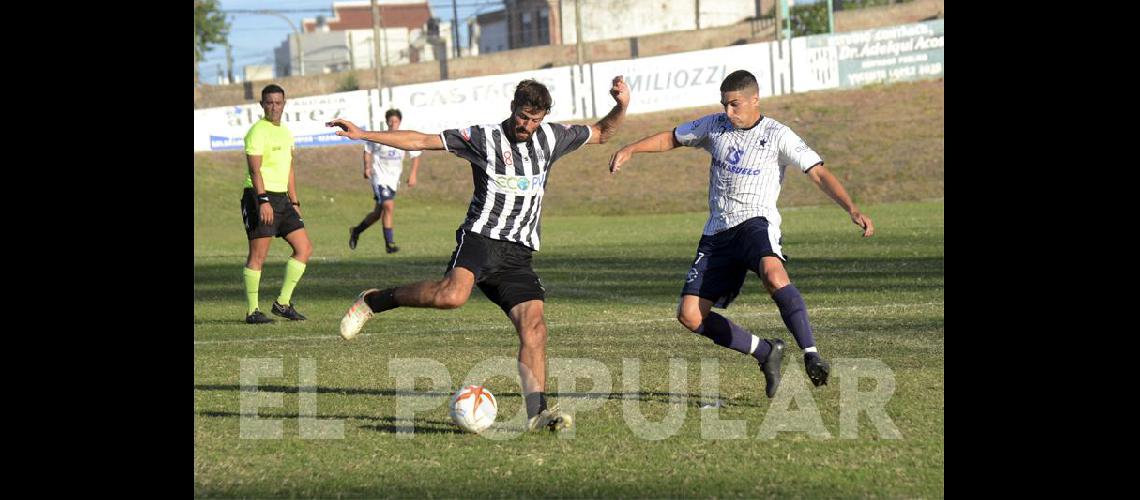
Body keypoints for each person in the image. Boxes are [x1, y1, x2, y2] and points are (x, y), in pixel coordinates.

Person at [327, 76, 630, 431]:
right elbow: (422, 140)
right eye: (522, 116)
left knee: (534, 328)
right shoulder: (482, 137)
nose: (527, 126)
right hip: (480, 240)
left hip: (518, 253)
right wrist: (364, 134)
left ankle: (537, 413)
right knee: (451, 297)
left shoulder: (552, 137)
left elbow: (602, 132)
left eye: (535, 120)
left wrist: (622, 106)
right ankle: (375, 301)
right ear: (513, 107)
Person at [607, 70, 874, 398]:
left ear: (754, 100)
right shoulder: (714, 125)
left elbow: (817, 173)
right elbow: (672, 138)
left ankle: (811, 354)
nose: (729, 112)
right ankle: (765, 352)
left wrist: (852, 209)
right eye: (724, 105)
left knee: (774, 275)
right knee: (689, 315)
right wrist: (631, 149)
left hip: (755, 224)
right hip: (717, 232)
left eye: (735, 104)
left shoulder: (778, 135)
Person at [240, 84, 313, 324]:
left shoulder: (286, 132)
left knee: (304, 249)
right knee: (258, 256)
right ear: (262, 105)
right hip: (259, 196)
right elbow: (255, 169)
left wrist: (294, 200)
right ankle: (252, 311)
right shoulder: (257, 131)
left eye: (278, 102)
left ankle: (282, 303)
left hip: (283, 199)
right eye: (269, 102)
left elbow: (290, 168)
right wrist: (263, 201)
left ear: (284, 103)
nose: (274, 107)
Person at [349, 109, 423, 253]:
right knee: (388, 205)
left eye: (396, 121)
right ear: (387, 121)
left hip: (393, 179)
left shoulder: (404, 137)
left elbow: (416, 155)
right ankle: (389, 244)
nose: (393, 123)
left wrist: (413, 174)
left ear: (400, 122)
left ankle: (356, 230)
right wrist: (367, 167)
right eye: (391, 120)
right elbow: (367, 149)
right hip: (379, 176)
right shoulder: (380, 136)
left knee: (378, 212)